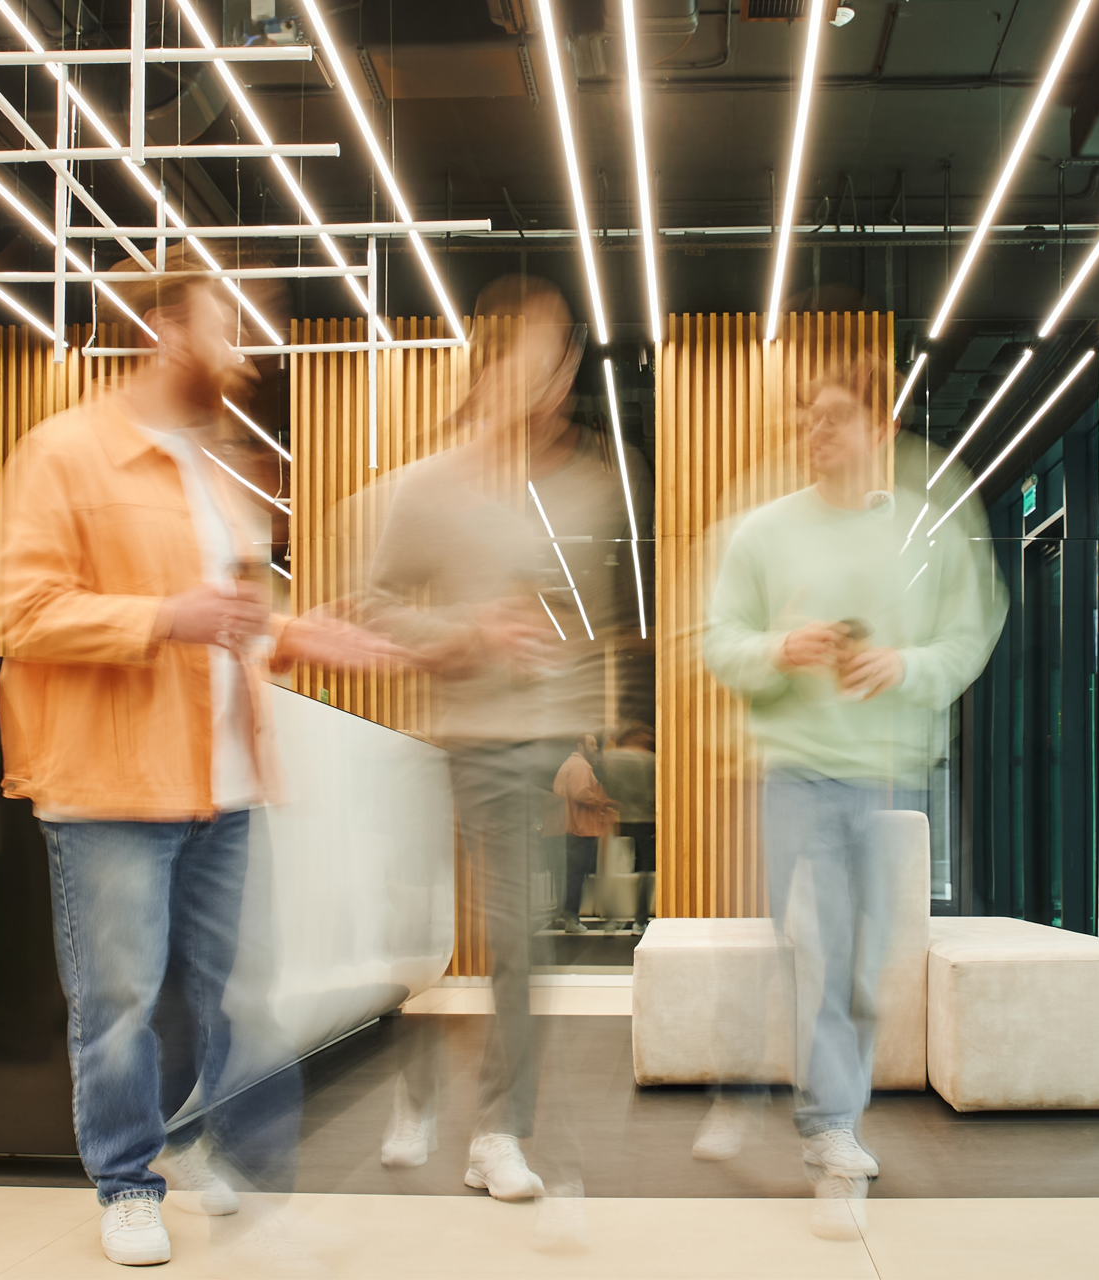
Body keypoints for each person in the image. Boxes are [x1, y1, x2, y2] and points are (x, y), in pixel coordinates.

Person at [0, 248, 399, 1266]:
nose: (244, 346)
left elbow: (237, 622)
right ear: (167, 329)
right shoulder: (64, 453)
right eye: (227, 322)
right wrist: (165, 614)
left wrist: (301, 634)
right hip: (110, 782)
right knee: (120, 1000)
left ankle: (207, 1142)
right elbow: (25, 612)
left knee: (219, 990)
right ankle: (127, 1183)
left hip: (223, 783)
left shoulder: (213, 471)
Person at [700, 362, 1002, 1237]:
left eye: (837, 417)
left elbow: (967, 636)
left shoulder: (923, 533)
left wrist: (903, 666)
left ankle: (793, 1100)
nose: (818, 432)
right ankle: (830, 1128)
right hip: (794, 767)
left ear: (878, 427)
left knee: (864, 964)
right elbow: (722, 642)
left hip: (886, 775)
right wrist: (778, 649)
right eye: (810, 419)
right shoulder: (763, 534)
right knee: (821, 946)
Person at [358, 275, 624, 1205]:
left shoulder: (581, 489)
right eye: (538, 356)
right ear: (495, 363)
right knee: (415, 935)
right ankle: (418, 1084)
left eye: (561, 360)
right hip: (449, 738)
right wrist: (465, 636)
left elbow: (585, 632)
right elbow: (373, 605)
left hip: (531, 743)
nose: (553, 377)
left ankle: (497, 1133)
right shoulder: (430, 487)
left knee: (520, 942)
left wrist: (578, 739)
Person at [552, 734, 617, 933]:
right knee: (575, 876)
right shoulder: (580, 766)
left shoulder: (568, 765)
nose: (595, 748)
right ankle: (571, 918)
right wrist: (604, 803)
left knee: (570, 875)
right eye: (591, 744)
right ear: (580, 746)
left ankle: (569, 915)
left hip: (568, 828)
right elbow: (581, 792)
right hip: (579, 828)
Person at [599, 723, 656, 928]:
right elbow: (655, 793)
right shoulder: (652, 761)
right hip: (645, 821)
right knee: (646, 873)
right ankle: (640, 920)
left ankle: (612, 918)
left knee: (616, 870)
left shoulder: (610, 759)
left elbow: (605, 786)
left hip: (618, 820)